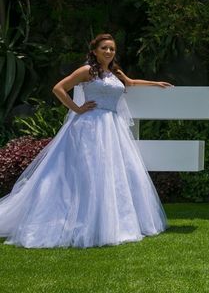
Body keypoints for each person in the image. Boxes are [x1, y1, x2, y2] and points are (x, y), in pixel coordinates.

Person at [0, 33, 171, 248]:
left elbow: (131, 82)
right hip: (91, 126)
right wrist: (77, 109)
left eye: (112, 49)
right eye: (104, 48)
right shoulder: (87, 71)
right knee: (87, 172)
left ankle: (113, 222)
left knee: (113, 174)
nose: (109, 52)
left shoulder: (115, 72)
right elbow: (59, 88)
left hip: (113, 127)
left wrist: (155, 84)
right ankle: (81, 221)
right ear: (94, 51)